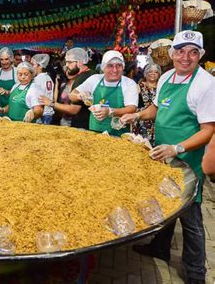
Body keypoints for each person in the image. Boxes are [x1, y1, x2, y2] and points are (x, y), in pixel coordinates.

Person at [121, 30, 215, 284]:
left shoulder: (206, 84)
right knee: (166, 200)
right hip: (163, 153)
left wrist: (178, 148)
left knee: (190, 216)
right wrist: (137, 116)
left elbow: (208, 130)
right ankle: (160, 248)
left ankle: (196, 274)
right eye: (180, 51)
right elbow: (156, 108)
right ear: (172, 54)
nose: (186, 57)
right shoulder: (165, 77)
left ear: (200, 56)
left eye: (193, 52)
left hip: (188, 159)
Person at [69, 50, 138, 136]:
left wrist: (110, 111)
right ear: (103, 67)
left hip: (119, 133)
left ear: (123, 67)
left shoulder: (129, 83)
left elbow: (132, 108)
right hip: (95, 131)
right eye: (110, 66)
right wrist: (79, 96)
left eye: (119, 66)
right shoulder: (94, 79)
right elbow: (72, 95)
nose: (115, 70)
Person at [40, 48, 93, 129]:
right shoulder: (92, 74)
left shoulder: (81, 79)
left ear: (80, 62)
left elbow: (73, 109)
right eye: (66, 62)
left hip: (82, 125)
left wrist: (51, 103)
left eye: (69, 62)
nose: (66, 65)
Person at [131, 63, 161, 146]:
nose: (153, 74)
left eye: (156, 72)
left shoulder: (162, 88)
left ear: (159, 74)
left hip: (157, 121)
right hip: (141, 121)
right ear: (145, 73)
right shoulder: (137, 86)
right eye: (150, 71)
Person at [31, 54, 54, 124]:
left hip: (42, 114)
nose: (31, 67)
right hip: (49, 112)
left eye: (33, 64)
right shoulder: (48, 77)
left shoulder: (38, 79)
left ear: (40, 66)